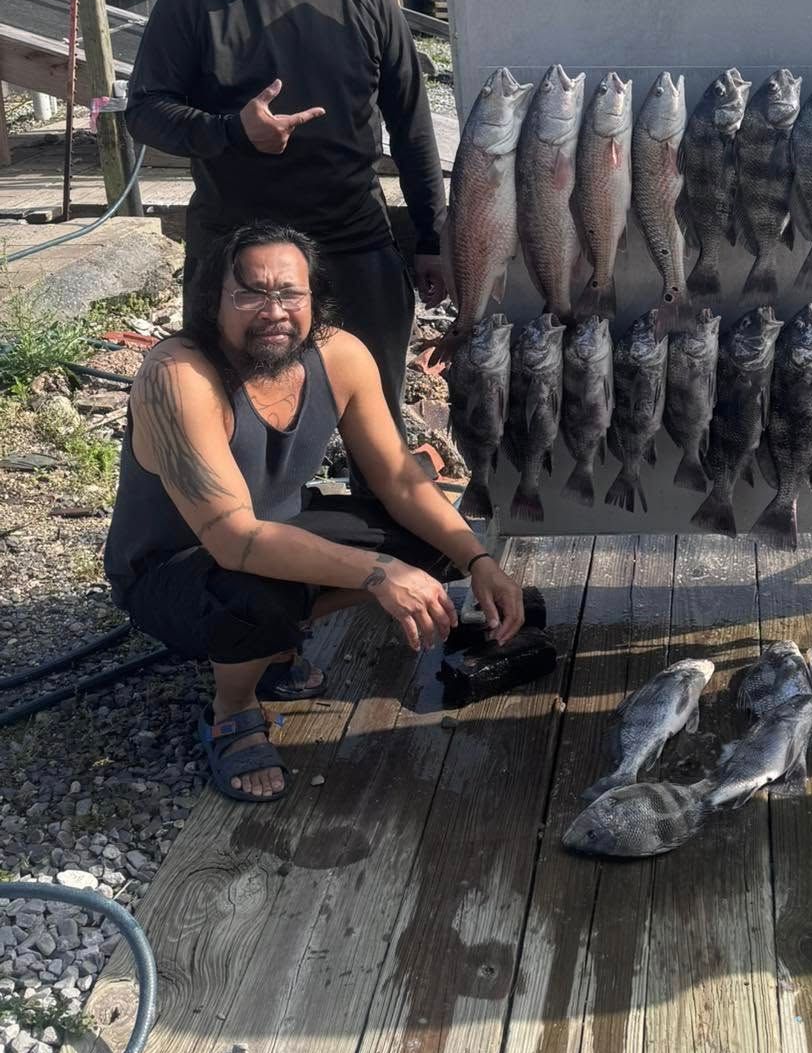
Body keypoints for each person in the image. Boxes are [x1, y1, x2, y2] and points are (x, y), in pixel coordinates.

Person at [104, 222, 523, 803]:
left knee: (432, 541)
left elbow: (401, 481)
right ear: (211, 300)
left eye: (290, 293)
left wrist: (479, 560)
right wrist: (378, 574)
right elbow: (232, 540)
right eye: (250, 292)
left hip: (274, 533)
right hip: (172, 568)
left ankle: (274, 643)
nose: (274, 310)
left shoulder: (339, 354)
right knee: (254, 593)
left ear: (313, 297)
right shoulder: (179, 377)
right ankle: (232, 710)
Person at [124, 0, 449, 424]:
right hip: (233, 242)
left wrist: (432, 240)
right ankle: (251, 515)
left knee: (374, 414)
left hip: (353, 241)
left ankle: (374, 509)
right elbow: (144, 113)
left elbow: (411, 130)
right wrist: (230, 132)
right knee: (232, 415)